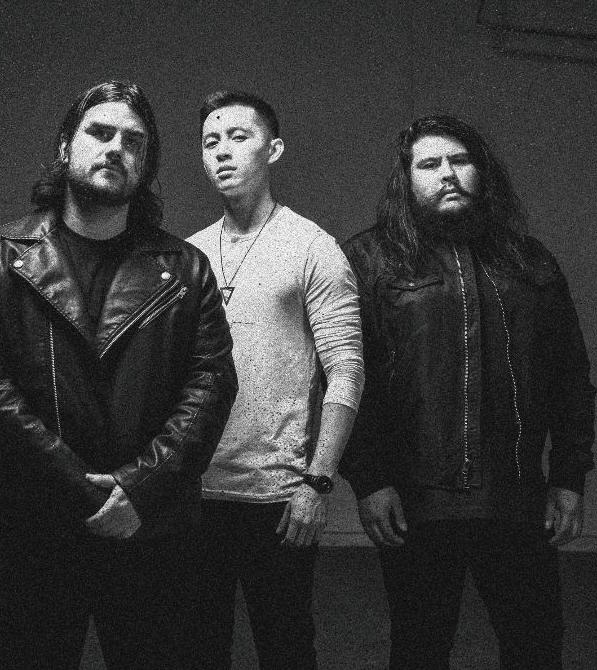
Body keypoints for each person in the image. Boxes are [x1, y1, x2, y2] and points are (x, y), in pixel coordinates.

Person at [0, 80, 238, 670]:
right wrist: (83, 489)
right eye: (100, 133)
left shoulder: (185, 268)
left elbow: (211, 385)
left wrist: (139, 488)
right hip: (32, 528)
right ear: (64, 147)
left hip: (149, 529)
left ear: (146, 166)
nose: (115, 148)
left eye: (133, 142)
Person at [340, 114, 597, 669]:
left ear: (483, 171)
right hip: (416, 503)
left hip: (517, 498)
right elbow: (345, 377)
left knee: (536, 649)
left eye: (460, 160)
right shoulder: (369, 259)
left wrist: (569, 476)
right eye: (429, 164)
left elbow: (570, 376)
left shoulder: (531, 260)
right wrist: (370, 480)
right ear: (407, 179)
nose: (447, 174)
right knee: (419, 650)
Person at [183, 90, 364, 669]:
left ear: (274, 149)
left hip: (279, 497)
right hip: (194, 494)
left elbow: (346, 370)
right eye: (211, 142)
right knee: (197, 649)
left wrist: (317, 481)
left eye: (239, 137)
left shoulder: (312, 247)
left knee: (285, 648)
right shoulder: (188, 254)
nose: (222, 151)